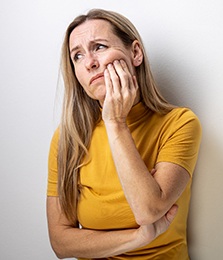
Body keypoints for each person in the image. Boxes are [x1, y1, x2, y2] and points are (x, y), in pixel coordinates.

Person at [46, 8, 202, 260]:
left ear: (135, 53)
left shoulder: (179, 123)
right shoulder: (67, 139)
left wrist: (115, 121)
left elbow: (148, 210)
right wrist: (137, 237)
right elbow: (61, 243)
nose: (89, 62)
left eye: (99, 47)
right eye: (77, 56)